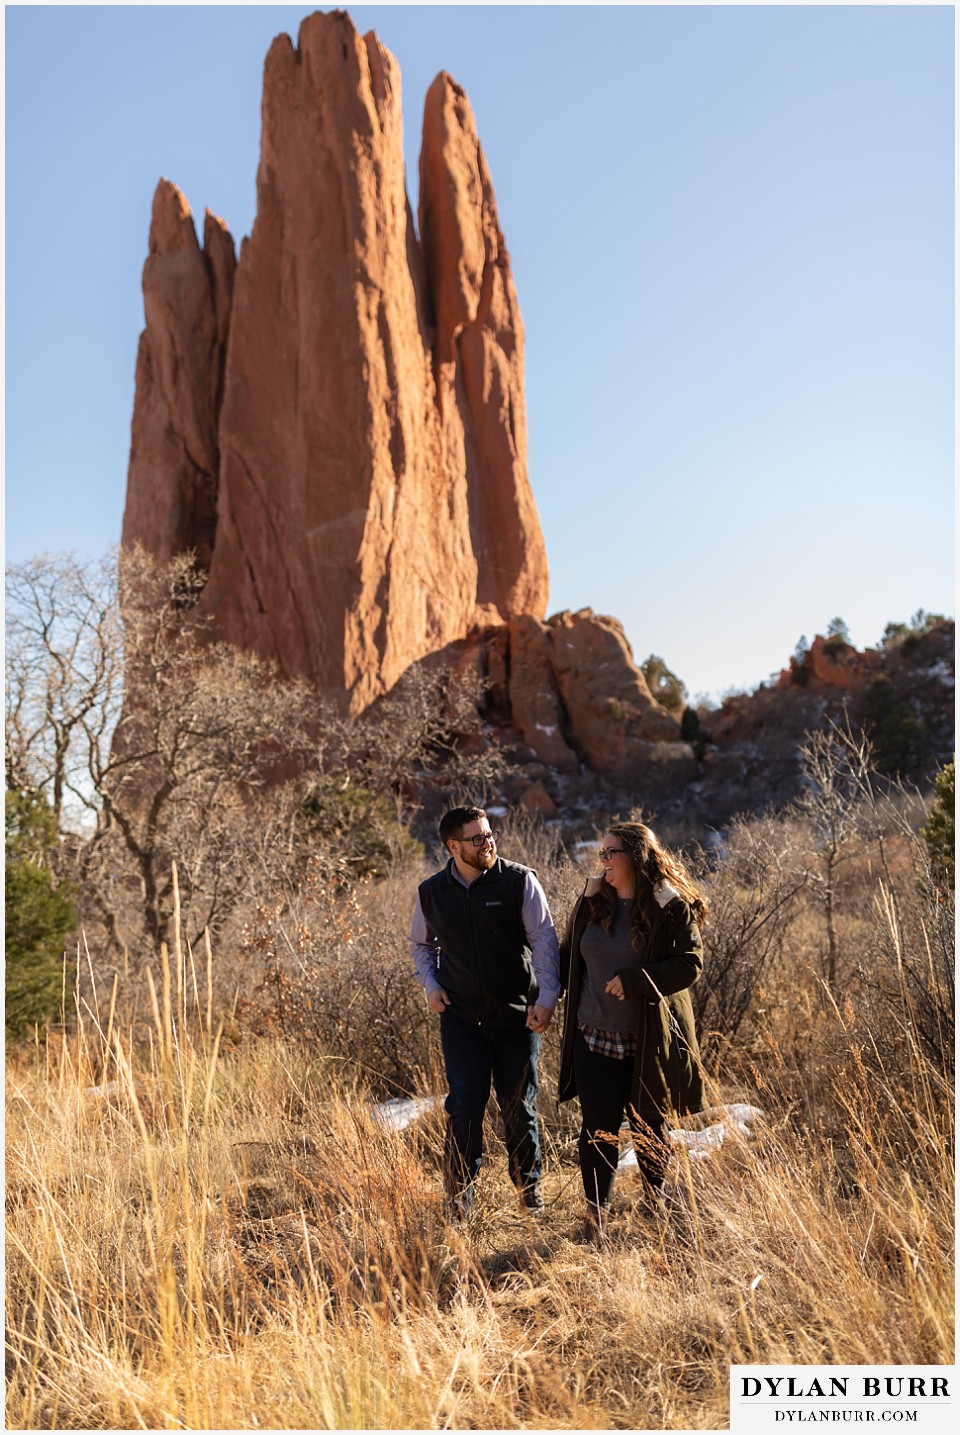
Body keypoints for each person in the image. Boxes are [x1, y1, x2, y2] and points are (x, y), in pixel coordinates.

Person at [558, 819, 708, 1243]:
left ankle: (657, 1205)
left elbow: (690, 964)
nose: (602, 860)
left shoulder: (667, 905)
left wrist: (636, 978)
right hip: (593, 1035)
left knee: (649, 1127)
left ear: (635, 858)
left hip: (647, 1041)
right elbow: (569, 953)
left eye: (611, 853)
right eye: (601, 853)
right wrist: (543, 994)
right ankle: (596, 1220)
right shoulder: (592, 900)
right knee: (597, 1129)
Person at [410, 806, 561, 1219]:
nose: (488, 842)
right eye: (477, 838)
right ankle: (460, 1207)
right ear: (453, 846)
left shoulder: (519, 881)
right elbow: (422, 945)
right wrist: (431, 985)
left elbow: (544, 940)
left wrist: (547, 997)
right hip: (461, 1020)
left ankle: (531, 1202)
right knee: (464, 1109)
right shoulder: (431, 892)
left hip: (517, 1017)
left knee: (520, 1110)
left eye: (490, 834)